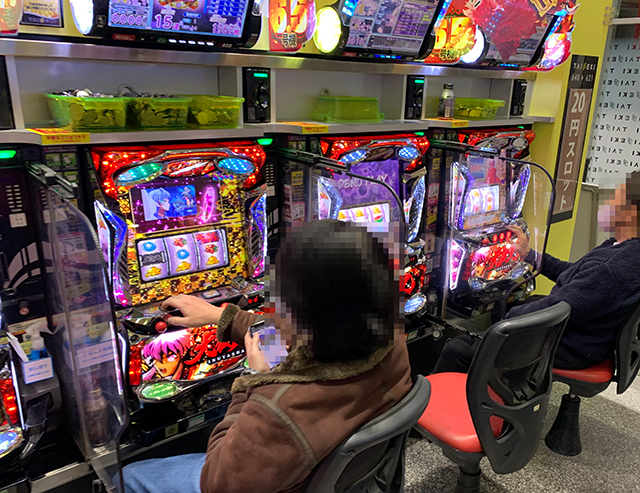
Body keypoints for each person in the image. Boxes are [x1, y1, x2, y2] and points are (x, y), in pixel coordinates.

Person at [121, 220, 411, 493]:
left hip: (259, 477)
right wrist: (223, 317)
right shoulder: (386, 334)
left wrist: (254, 380)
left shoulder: (279, 407)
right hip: (321, 464)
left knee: (128, 476)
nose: (272, 306)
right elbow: (291, 338)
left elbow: (219, 481)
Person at [433, 170, 640, 374]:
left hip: (570, 346)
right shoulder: (625, 247)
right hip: (589, 335)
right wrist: (529, 255)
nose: (609, 203)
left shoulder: (609, 268)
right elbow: (575, 273)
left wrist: (508, 323)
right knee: (510, 303)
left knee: (457, 349)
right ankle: (494, 372)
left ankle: (463, 384)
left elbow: (559, 308)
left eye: (617, 198)